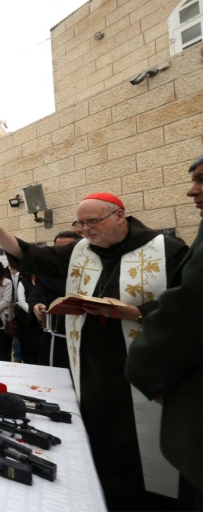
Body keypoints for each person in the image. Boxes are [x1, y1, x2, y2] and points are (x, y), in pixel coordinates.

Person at [0, 192, 188, 511]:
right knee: (99, 436)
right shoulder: (78, 251)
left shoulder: (166, 249)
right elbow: (31, 255)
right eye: (81, 223)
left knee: (140, 443)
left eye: (93, 221)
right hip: (91, 364)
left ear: (119, 216)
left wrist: (137, 312)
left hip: (143, 366)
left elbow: (188, 304)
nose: (86, 229)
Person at [126, 155, 203, 511]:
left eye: (201, 180)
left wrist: (148, 373)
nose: (192, 191)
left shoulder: (167, 250)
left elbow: (188, 307)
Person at [31, 230, 82, 368]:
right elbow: (36, 295)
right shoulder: (47, 273)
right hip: (56, 335)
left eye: (68, 248)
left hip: (85, 336)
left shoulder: (91, 272)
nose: (63, 252)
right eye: (58, 248)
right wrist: (37, 304)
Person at [16, 273, 44, 365]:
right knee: (29, 347)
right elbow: (21, 301)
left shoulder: (43, 282)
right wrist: (34, 312)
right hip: (28, 320)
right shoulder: (23, 282)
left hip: (43, 319)